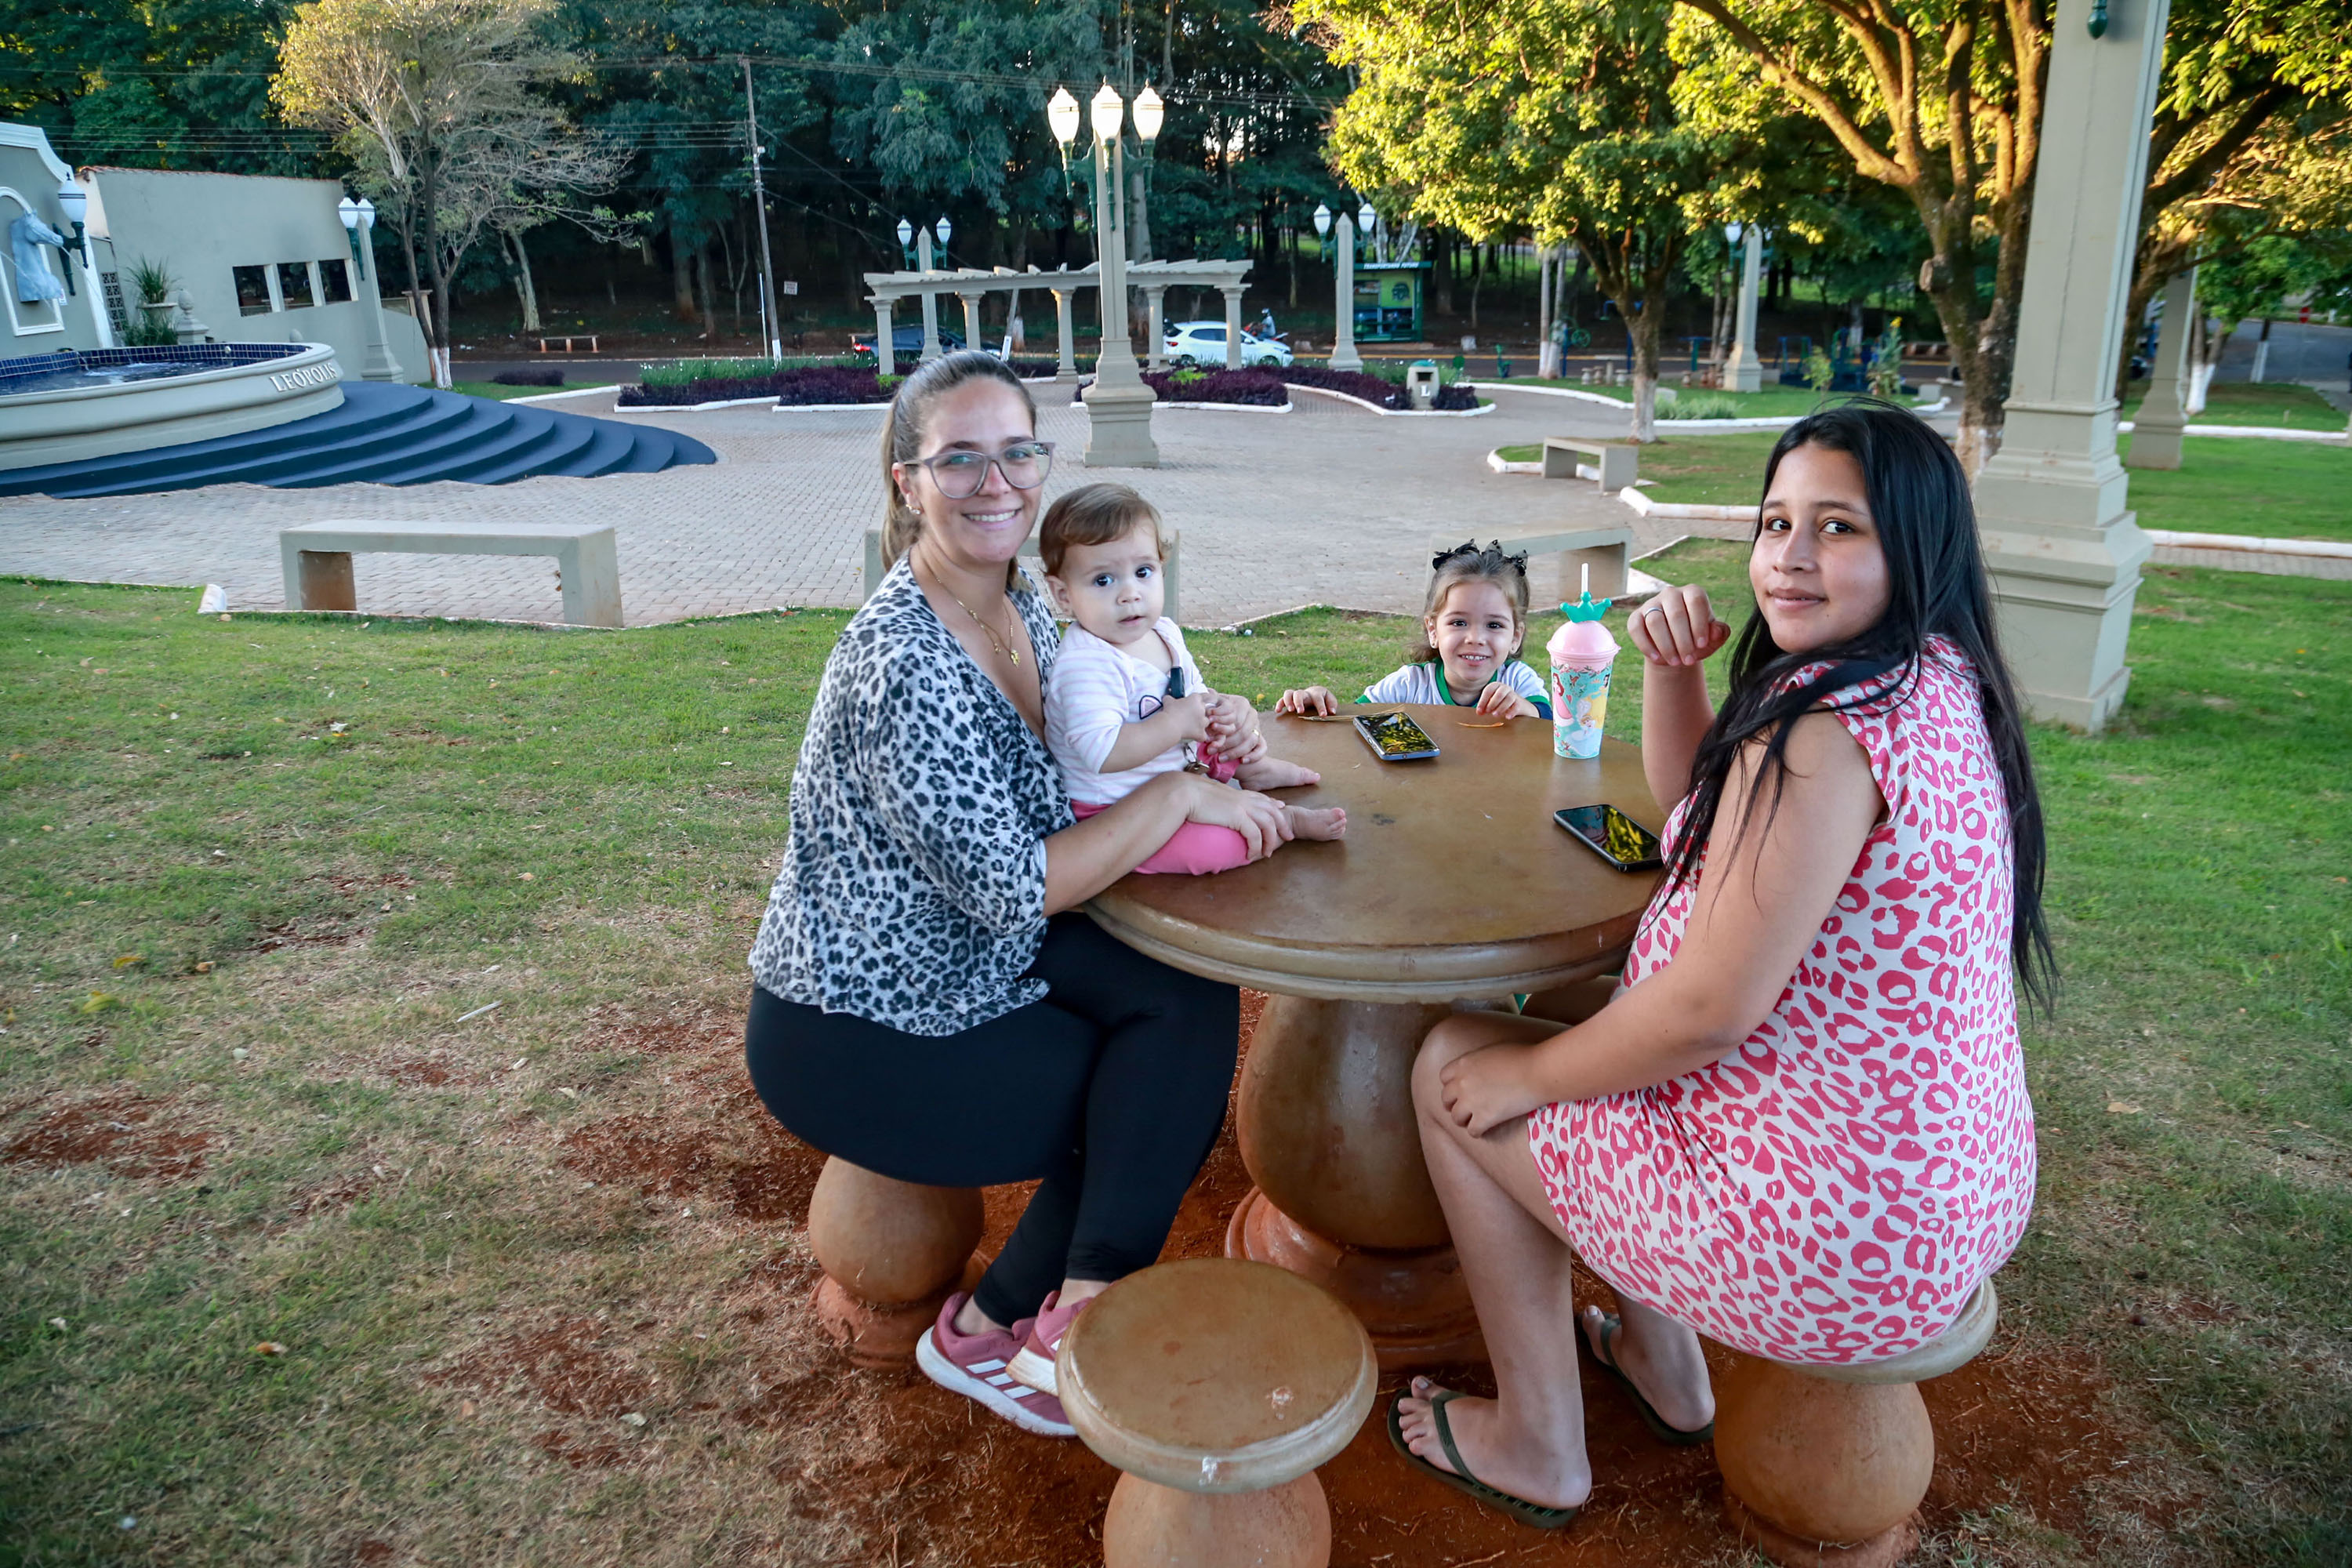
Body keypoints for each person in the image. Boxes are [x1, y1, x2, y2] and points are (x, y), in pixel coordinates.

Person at [1387, 400, 2051, 1526]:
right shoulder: (1935, 682)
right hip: (1950, 1195)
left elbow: (1707, 1010)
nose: (1790, 556)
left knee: (1456, 1063)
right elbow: (1706, 817)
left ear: (1915, 544)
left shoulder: (1824, 730)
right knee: (1601, 1025)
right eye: (1777, 521)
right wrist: (1671, 671)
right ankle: (1668, 1368)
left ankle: (1539, 1440)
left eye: (1838, 528)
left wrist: (1523, 1081)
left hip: (1831, 1232)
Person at [742, 351, 1294, 1439]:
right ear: (909, 482)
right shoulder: (904, 659)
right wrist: (1182, 792)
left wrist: (1223, 741)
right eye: (960, 459)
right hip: (866, 1015)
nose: (995, 482)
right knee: (1134, 1095)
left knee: (1185, 1000)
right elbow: (1014, 885)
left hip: (971, 955)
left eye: (1017, 452)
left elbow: (1101, 761)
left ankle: (1014, 1321)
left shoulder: (1031, 614)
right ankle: (1045, 1330)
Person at [1041, 482, 1345, 874]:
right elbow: (1104, 753)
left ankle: (1251, 772)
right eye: (1103, 580)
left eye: (1143, 571)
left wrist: (1220, 711)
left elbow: (1196, 695)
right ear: (1063, 595)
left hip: (1177, 775)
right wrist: (1174, 723)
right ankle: (1284, 821)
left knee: (1228, 743)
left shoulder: (1164, 633)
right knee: (1216, 847)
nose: (1130, 593)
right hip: (1118, 812)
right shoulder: (1086, 663)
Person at [1276, 541, 1552, 720]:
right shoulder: (1409, 685)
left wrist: (1522, 708)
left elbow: (1554, 729)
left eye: (1494, 625)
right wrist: (1317, 704)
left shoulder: (1518, 681)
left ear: (1515, 636)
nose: (1475, 638)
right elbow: (1353, 721)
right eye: (1458, 622)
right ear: (1432, 629)